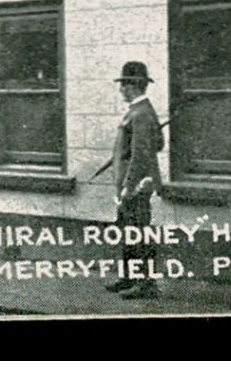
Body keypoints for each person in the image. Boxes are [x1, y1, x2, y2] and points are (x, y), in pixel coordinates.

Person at [105, 61, 163, 300]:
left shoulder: (140, 113)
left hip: (136, 186)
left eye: (123, 85)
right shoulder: (139, 112)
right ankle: (129, 277)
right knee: (129, 231)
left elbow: (141, 155)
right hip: (130, 184)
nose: (120, 90)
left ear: (132, 86)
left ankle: (147, 284)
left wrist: (129, 187)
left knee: (139, 234)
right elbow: (157, 143)